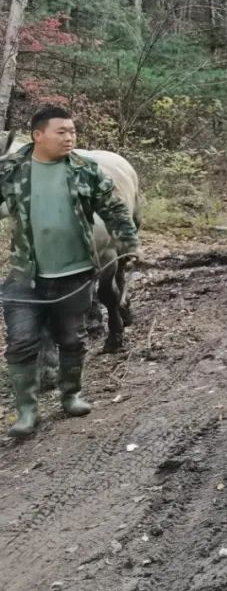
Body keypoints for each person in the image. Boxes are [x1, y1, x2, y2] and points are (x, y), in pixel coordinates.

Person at [2, 106, 139, 438]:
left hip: (74, 270)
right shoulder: (13, 170)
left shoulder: (85, 170)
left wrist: (129, 243)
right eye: (61, 131)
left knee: (71, 338)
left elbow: (114, 208)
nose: (69, 137)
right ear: (38, 135)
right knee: (20, 341)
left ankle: (71, 394)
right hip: (26, 271)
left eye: (72, 131)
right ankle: (27, 412)